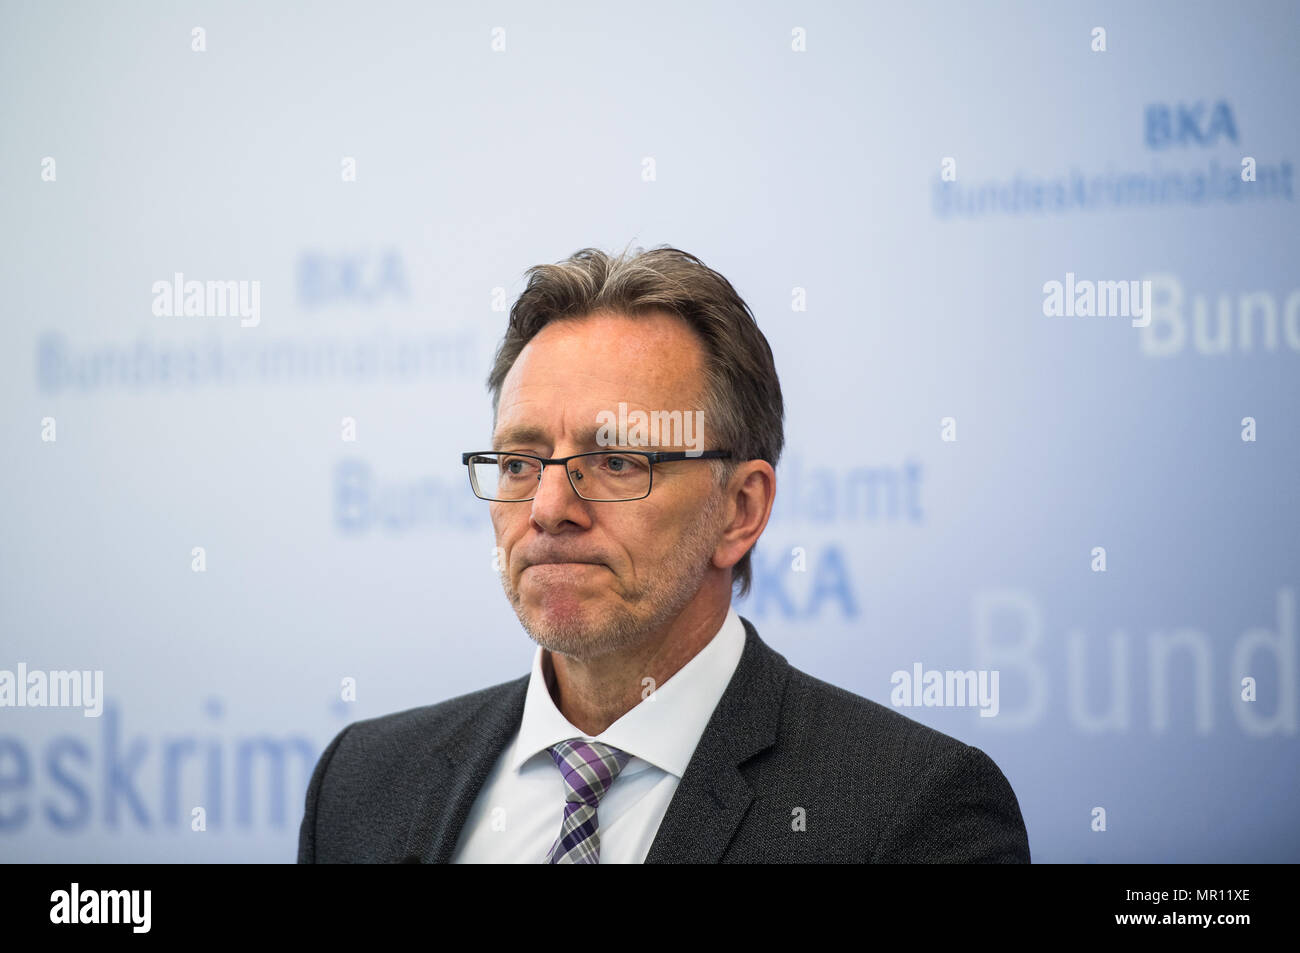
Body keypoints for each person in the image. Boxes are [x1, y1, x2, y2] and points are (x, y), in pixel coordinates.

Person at [297, 244, 1031, 863]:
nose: (550, 508)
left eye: (618, 463)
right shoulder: (362, 785)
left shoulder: (911, 811)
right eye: (521, 463)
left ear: (740, 510)